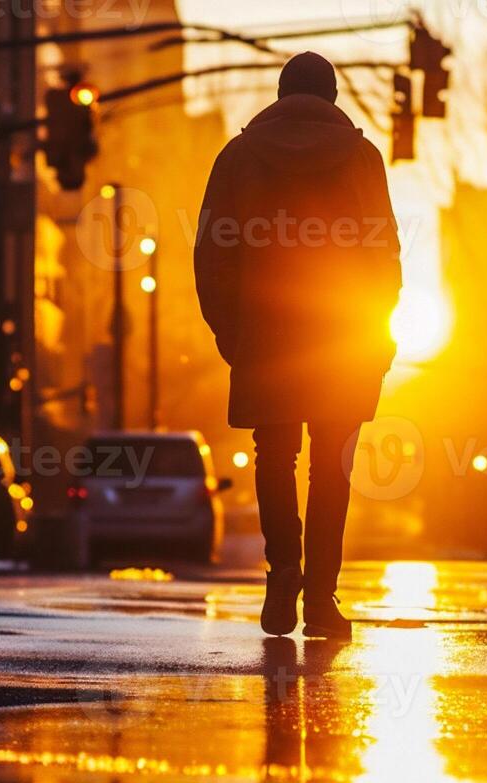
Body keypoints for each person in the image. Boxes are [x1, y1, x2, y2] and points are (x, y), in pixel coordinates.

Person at [194, 52, 403, 639]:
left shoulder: (237, 157)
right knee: (331, 468)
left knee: (275, 457)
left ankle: (284, 569)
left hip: (267, 339)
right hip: (341, 340)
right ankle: (321, 597)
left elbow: (211, 255)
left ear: (280, 95)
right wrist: (376, 327)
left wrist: (231, 334)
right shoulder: (361, 159)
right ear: (332, 98)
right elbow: (383, 255)